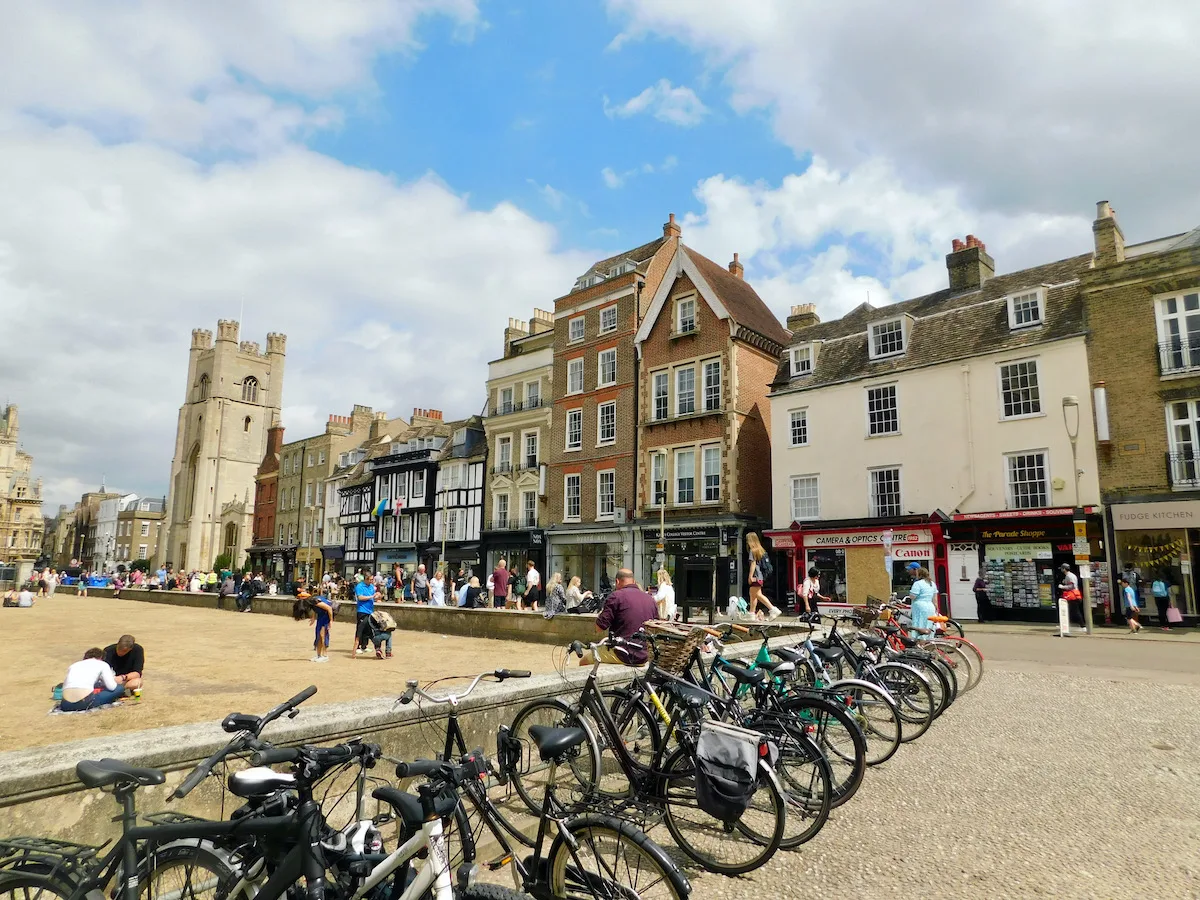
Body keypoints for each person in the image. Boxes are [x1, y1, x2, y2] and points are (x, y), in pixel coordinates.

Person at [582, 569, 659, 666]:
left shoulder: (616, 596)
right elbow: (656, 625)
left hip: (623, 653)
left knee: (584, 662)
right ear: (633, 581)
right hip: (645, 655)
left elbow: (599, 628)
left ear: (617, 581)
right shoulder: (650, 599)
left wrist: (601, 613)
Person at [59, 648, 125, 711]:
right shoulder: (102, 664)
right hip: (85, 703)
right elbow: (112, 687)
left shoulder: (73, 665)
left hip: (65, 704)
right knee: (119, 688)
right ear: (101, 658)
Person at [745, 533, 781, 620]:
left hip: (755, 576)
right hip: (760, 577)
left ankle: (773, 609)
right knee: (753, 595)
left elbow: (753, 564)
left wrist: (750, 576)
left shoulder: (752, 551)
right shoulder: (761, 550)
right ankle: (751, 614)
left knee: (757, 595)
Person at [292, 594, 332, 662]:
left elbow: (329, 608)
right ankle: (319, 655)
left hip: (326, 616)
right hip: (321, 616)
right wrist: (313, 617)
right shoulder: (310, 602)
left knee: (323, 635)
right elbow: (315, 609)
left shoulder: (314, 601)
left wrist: (331, 620)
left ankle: (325, 655)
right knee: (318, 635)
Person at [905, 566, 939, 639]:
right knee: (928, 624)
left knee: (919, 623)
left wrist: (910, 594)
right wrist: (936, 609)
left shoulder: (918, 584)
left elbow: (912, 596)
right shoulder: (932, 584)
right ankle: (928, 641)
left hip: (920, 607)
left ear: (919, 574)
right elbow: (935, 599)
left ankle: (918, 641)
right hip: (930, 607)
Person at [353, 575, 377, 656]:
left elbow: (373, 598)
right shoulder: (359, 586)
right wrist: (371, 597)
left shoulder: (371, 587)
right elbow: (360, 597)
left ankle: (364, 646)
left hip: (370, 611)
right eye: (370, 580)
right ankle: (357, 647)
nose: (371, 581)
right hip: (362, 611)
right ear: (366, 579)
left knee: (368, 629)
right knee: (360, 629)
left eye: (372, 579)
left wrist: (377, 596)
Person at [1057, 564, 1085, 630]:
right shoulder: (1069, 576)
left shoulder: (1070, 576)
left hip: (1073, 596)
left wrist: (1062, 586)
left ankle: (1083, 626)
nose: (1061, 570)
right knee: (1070, 611)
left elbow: (1072, 586)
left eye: (1062, 568)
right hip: (1072, 596)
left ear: (1064, 569)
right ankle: (1065, 625)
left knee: (1075, 611)